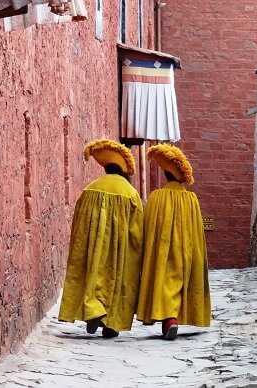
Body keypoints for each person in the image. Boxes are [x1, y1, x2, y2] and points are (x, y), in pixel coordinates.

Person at [58, 139, 144, 338]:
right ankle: (111, 324)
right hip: (120, 250)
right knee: (118, 280)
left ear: (106, 168)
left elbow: (79, 221)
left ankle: (93, 310)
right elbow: (137, 232)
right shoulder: (130, 193)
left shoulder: (90, 189)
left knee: (93, 275)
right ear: (123, 170)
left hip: (93, 246)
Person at [136, 144, 211, 340]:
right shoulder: (191, 199)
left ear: (165, 174)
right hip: (185, 250)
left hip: (161, 249)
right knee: (179, 281)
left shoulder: (156, 197)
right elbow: (196, 230)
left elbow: (148, 225)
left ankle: (168, 318)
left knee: (163, 279)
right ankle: (173, 318)